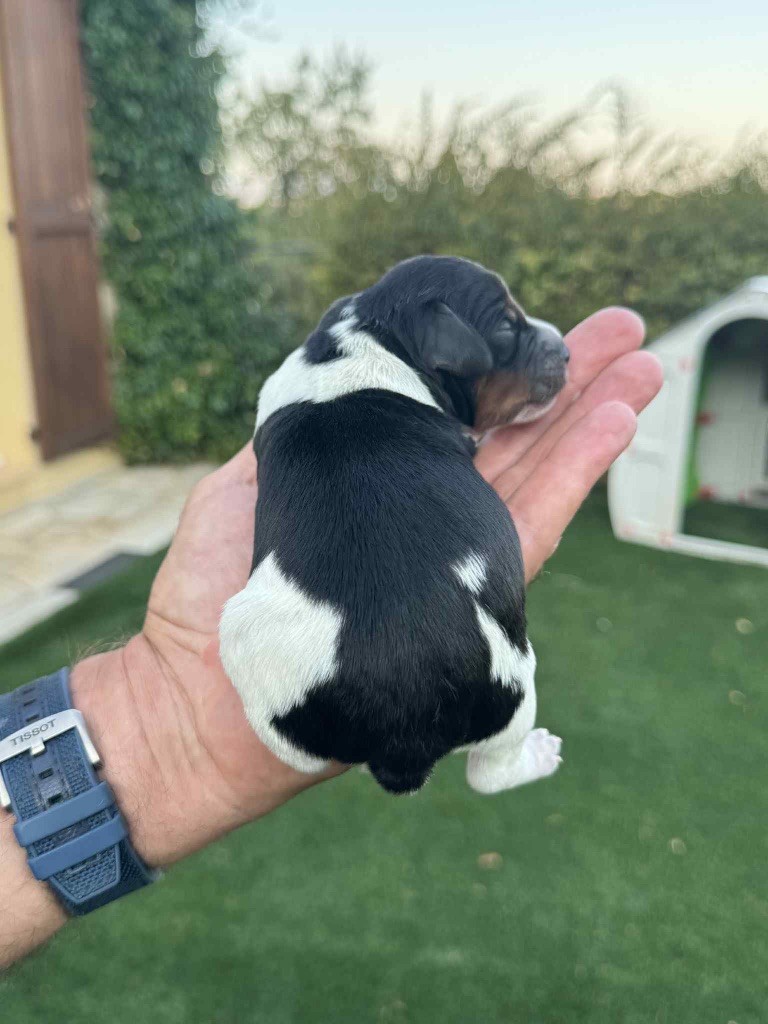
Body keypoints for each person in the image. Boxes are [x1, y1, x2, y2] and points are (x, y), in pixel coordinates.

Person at [0, 308, 661, 969]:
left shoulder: (293, 400)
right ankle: (500, 757)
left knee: (442, 625)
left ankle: (412, 747)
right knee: (501, 641)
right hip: (454, 696)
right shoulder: (390, 409)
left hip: (302, 719)